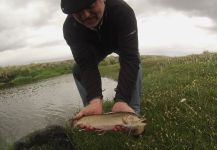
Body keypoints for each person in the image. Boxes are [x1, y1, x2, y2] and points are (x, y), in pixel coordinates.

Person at [61, 0, 142, 128]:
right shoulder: (70, 28)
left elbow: (129, 59)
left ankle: (132, 111)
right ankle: (92, 109)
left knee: (135, 61)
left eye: (90, 6)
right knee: (77, 69)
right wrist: (94, 98)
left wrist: (122, 99)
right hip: (95, 50)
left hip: (118, 43)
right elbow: (87, 65)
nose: (86, 15)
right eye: (78, 12)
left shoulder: (122, 11)